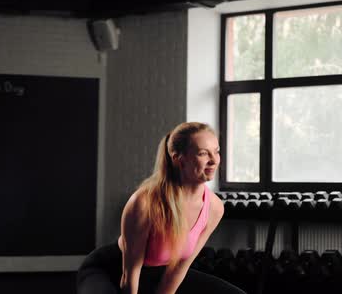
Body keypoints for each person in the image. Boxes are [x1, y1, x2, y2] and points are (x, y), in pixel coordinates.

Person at [77, 122, 246, 294]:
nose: (214, 160)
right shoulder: (144, 203)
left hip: (161, 273)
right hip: (112, 270)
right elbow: (129, 276)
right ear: (179, 159)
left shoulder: (214, 208)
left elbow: (181, 266)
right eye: (203, 153)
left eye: (216, 151)